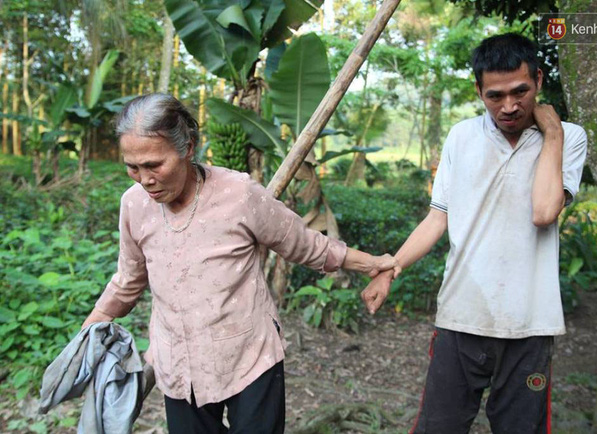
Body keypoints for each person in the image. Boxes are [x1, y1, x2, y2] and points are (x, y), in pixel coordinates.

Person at [81, 93, 400, 434]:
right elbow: (128, 279)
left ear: (187, 148)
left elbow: (306, 245)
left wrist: (372, 265)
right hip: (178, 364)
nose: (145, 179)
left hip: (249, 358)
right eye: (133, 167)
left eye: (155, 165)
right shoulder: (134, 205)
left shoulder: (239, 193)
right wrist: (88, 333)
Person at [361, 33, 587, 433]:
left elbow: (544, 211)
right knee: (439, 426)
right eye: (495, 95)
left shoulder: (568, 137)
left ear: (538, 79)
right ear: (478, 90)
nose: (510, 106)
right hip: (461, 317)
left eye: (521, 91)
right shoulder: (461, 137)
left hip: (530, 324)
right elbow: (437, 218)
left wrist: (552, 133)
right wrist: (390, 268)